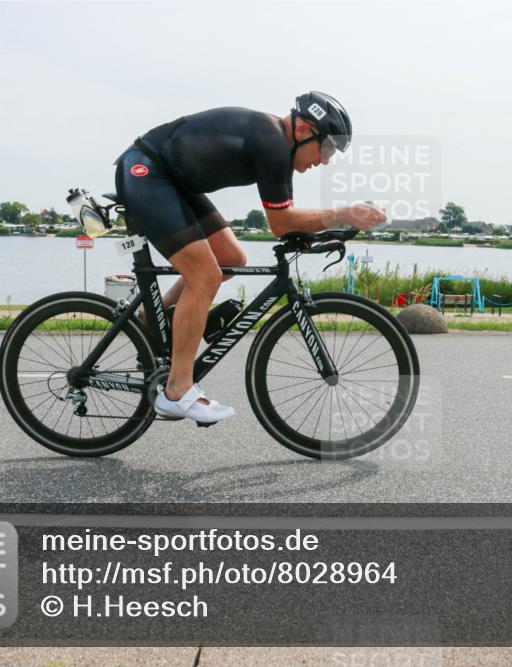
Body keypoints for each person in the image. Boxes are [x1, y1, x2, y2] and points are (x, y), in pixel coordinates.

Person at [114, 92, 386, 425]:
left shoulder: (278, 146)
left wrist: (328, 227)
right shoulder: (271, 144)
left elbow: (286, 220)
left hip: (172, 182)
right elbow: (282, 223)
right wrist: (343, 213)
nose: (325, 160)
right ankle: (177, 391)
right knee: (205, 276)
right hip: (147, 172)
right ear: (303, 130)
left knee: (231, 258)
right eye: (326, 148)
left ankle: (154, 322)